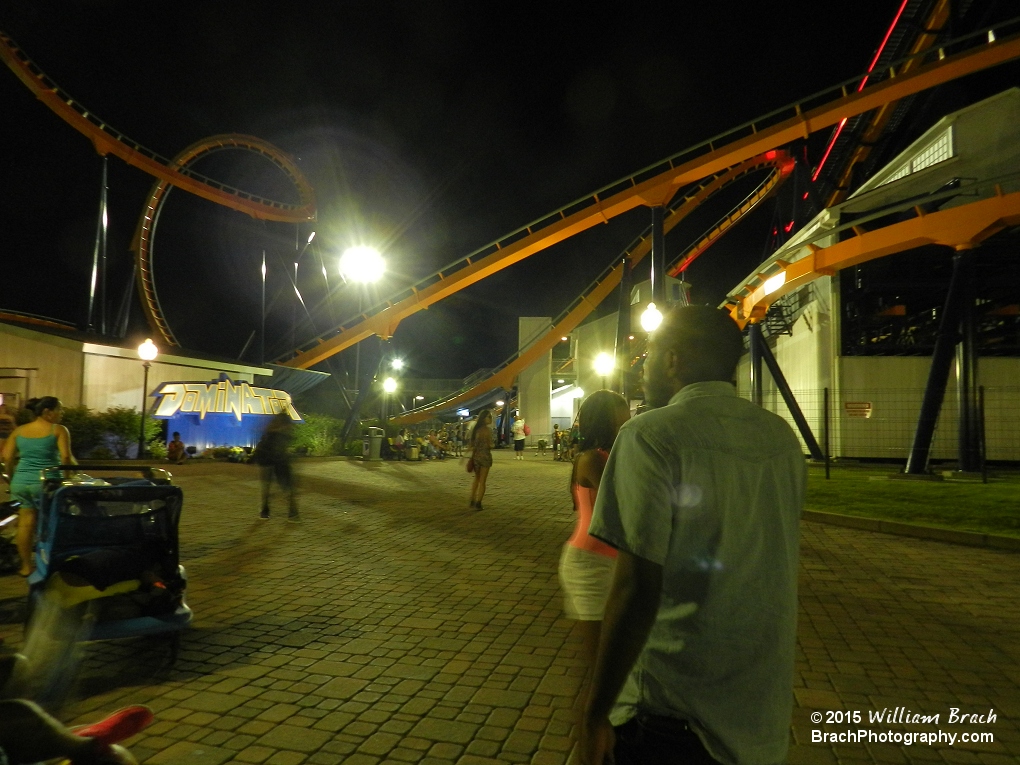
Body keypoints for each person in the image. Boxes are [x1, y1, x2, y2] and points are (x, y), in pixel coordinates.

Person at [579, 306, 806, 765]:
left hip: (672, 713)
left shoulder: (651, 436)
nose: (642, 367)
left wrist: (594, 712)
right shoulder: (781, 438)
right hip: (758, 713)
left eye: (650, 353)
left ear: (673, 360)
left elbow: (637, 588)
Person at [559, 391, 629, 670]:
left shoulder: (616, 454)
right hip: (589, 564)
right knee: (599, 662)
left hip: (615, 560)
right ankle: (589, 713)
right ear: (604, 420)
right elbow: (615, 504)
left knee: (615, 656)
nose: (627, 419)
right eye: (620, 414)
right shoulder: (591, 459)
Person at [0, 397, 74, 577]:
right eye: (60, 409)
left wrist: (11, 479)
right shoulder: (58, 430)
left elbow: (6, 459)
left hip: (21, 482)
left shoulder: (19, 431)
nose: (62, 414)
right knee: (51, 523)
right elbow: (65, 458)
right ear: (48, 412)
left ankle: (26, 566)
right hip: (47, 482)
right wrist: (67, 479)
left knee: (25, 524)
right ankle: (50, 564)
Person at [253, 413, 298, 521]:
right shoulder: (279, 431)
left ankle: (266, 511)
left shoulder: (273, 430)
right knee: (281, 487)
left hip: (272, 461)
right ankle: (291, 512)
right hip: (276, 461)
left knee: (269, 487)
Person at [467, 409, 493, 510]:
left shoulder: (476, 430)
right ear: (484, 418)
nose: (490, 419)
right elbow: (490, 444)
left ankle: (472, 499)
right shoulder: (488, 431)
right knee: (482, 481)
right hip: (485, 456)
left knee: (476, 479)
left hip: (476, 457)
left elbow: (472, 444)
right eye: (489, 417)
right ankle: (479, 502)